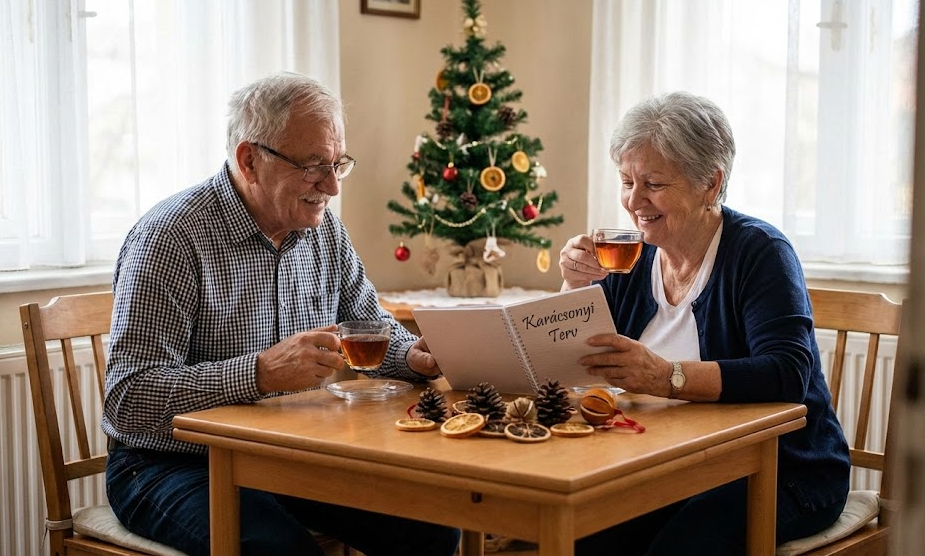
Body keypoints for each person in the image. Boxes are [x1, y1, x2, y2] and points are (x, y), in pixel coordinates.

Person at [102, 72, 460, 556]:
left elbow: (372, 329)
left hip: (291, 455)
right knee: (279, 549)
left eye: (338, 164)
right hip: (168, 462)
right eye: (314, 165)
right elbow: (128, 398)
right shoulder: (171, 237)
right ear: (250, 160)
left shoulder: (324, 231)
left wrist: (412, 357)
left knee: (432, 524)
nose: (332, 186)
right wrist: (259, 373)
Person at [559, 91, 850, 555]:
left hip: (781, 470)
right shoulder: (630, 256)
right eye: (626, 180)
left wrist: (666, 377)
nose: (635, 200)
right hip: (667, 464)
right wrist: (574, 287)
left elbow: (787, 373)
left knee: (680, 548)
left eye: (654, 183)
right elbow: (580, 359)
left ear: (710, 184)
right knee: (585, 537)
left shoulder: (760, 252)